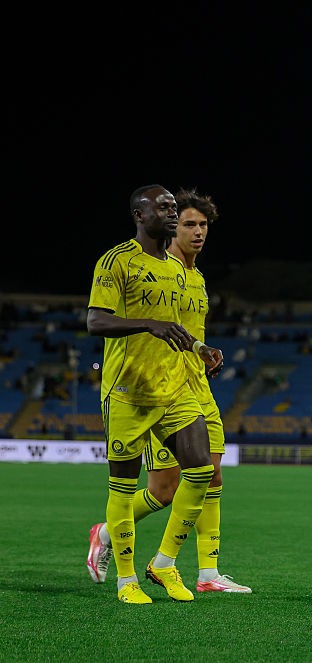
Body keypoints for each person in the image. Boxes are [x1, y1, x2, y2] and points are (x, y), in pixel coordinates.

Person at [86, 188, 251, 595]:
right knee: (163, 489)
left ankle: (200, 570)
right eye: (185, 221)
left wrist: (201, 349)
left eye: (200, 223)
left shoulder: (191, 276)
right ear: (142, 215)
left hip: (186, 384)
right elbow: (102, 321)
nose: (194, 229)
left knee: (208, 472)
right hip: (136, 387)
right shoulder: (122, 261)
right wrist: (151, 327)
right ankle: (109, 539)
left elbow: (180, 330)